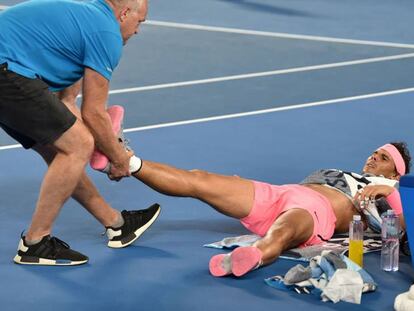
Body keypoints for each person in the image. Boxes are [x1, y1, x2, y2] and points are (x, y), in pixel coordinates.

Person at [96, 112, 410, 277]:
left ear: (396, 172)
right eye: (373, 153)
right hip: (279, 194)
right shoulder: (349, 174)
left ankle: (253, 256)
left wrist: (391, 192)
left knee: (285, 230)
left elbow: (404, 230)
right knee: (200, 180)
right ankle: (124, 161)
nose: (372, 158)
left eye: (382, 158)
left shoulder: (396, 190)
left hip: (316, 213)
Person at [0, 0, 160, 266]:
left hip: (10, 69)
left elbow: (67, 101)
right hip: (7, 70)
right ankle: (35, 243)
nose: (138, 30)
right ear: (124, 14)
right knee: (77, 146)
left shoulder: (87, 21)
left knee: (63, 151)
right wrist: (118, 158)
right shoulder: (106, 34)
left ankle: (117, 224)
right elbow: (94, 113)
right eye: (139, 21)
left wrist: (104, 144)